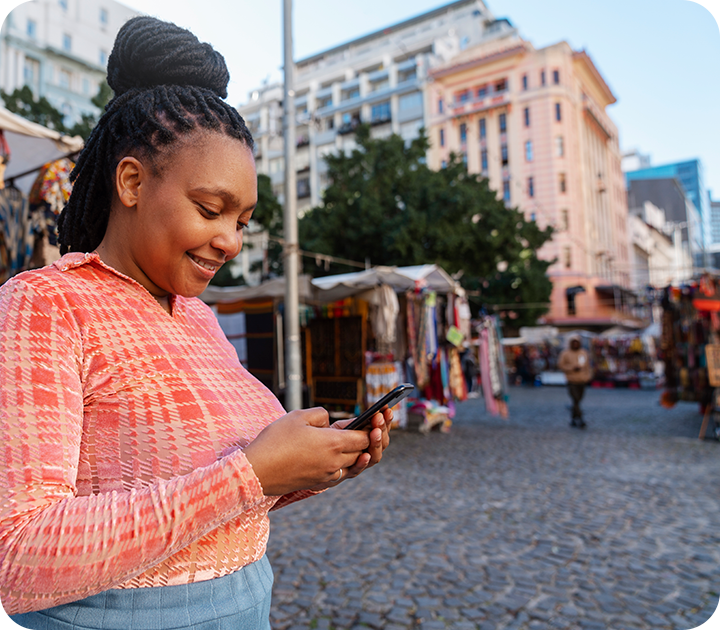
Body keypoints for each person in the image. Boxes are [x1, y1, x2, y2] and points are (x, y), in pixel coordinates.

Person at [0, 16, 392, 629]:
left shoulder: (201, 319)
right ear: (131, 181)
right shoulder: (46, 305)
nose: (230, 241)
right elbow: (17, 554)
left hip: (246, 604)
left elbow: (222, 501)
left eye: (242, 220)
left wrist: (313, 465)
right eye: (211, 210)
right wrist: (251, 472)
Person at [558, 336, 593, 428]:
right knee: (575, 399)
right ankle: (580, 419)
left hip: (582, 379)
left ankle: (573, 418)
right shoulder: (565, 353)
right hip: (571, 379)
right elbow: (561, 365)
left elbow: (588, 366)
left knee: (578, 400)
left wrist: (588, 376)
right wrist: (572, 368)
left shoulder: (583, 353)